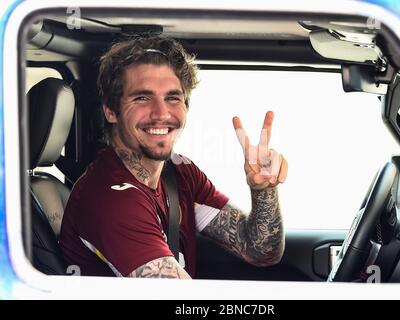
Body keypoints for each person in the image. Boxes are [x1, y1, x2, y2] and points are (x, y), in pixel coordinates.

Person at [59, 36, 288, 279]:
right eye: (142, 98)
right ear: (111, 111)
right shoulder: (110, 198)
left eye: (173, 97)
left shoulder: (180, 172)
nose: (161, 113)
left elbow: (260, 251)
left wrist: (264, 189)